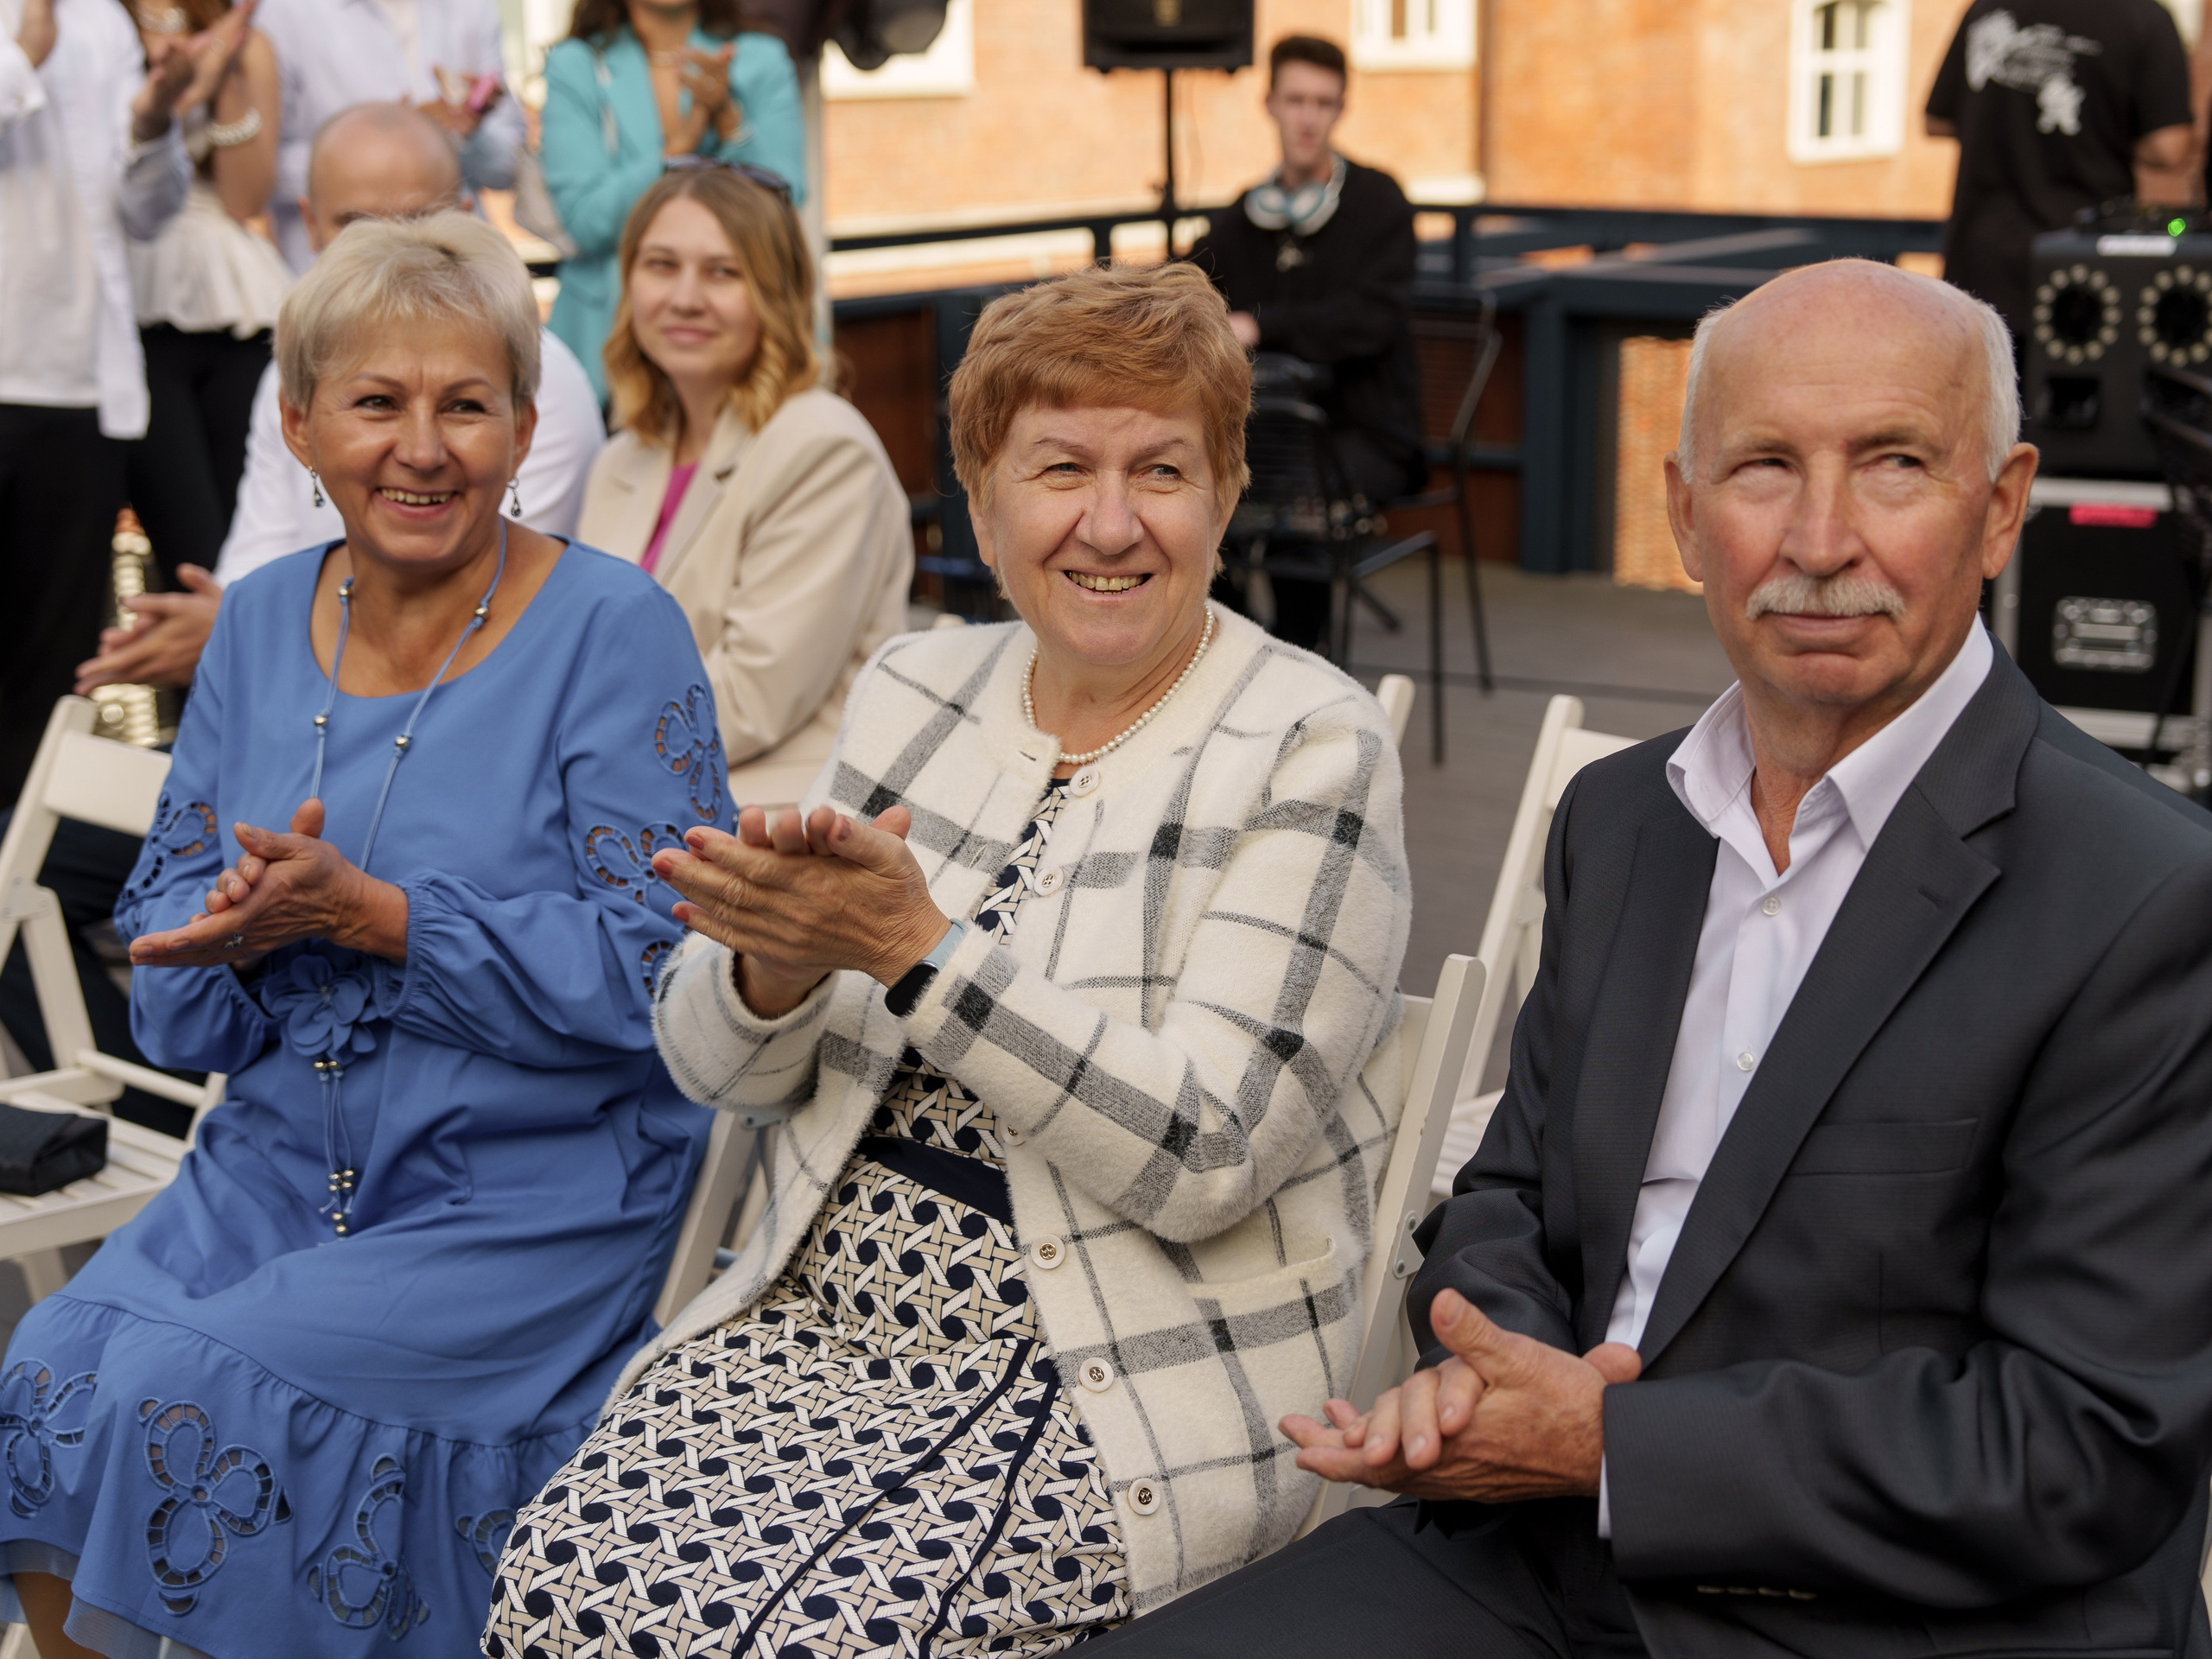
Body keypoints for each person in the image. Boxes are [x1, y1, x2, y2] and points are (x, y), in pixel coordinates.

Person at [1082, 258, 2212, 1659]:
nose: (1819, 535)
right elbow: (1510, 1187)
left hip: (1902, 1619)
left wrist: (1610, 1444)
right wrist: (1484, 1363)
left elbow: (2080, 1444)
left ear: (1997, 507)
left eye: (1894, 465)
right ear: (1683, 515)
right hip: (1545, 1565)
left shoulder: (2146, 897)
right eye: (1762, 468)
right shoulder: (1620, 821)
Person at [485, 262, 1414, 1658]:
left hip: (1102, 1363)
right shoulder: (920, 689)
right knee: (558, 1574)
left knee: (817, 1641)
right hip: (818, 1309)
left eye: (1162, 468)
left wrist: (919, 953)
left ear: (1225, 496)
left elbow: (1208, 1154)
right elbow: (717, 1070)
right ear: (981, 504)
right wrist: (775, 968)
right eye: (1058, 469)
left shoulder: (1310, 745)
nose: (1110, 522)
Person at [0, 212, 727, 1659]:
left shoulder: (611, 628)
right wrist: (232, 936)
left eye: (466, 405)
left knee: (198, 1397)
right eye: (377, 403)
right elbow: (161, 939)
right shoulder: (260, 622)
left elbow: (670, 975)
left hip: (527, 1191)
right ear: (299, 422)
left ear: (526, 427)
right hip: (275, 1165)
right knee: (44, 1368)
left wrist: (376, 919)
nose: (422, 447)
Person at [68, 101, 603, 695]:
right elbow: (254, 562)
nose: (391, 254)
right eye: (358, 227)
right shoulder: (295, 372)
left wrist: (235, 631)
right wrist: (231, 628)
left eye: (460, 408)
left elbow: (482, 611)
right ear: (312, 224)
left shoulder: (533, 375)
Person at [579, 164, 910, 806]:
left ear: (776, 295)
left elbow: (748, 701)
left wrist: (564, 752)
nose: (685, 298)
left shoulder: (822, 448)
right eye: (661, 265)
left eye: (723, 273)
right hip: (630, 798)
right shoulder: (623, 458)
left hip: (770, 817)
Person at [0, 0, 216, 804]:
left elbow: (145, 216)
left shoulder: (102, 20)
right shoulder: (44, 31)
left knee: (52, 683)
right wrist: (22, 57)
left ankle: (24, 909)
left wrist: (156, 121)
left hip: (81, 390)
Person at [1189, 33, 1421, 652]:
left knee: (1294, 512)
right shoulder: (1243, 217)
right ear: (1270, 103)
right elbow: (1187, 288)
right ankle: (1238, 650)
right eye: (1296, 100)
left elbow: (1371, 319)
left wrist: (1262, 326)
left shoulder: (1380, 203)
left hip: (1363, 433)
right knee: (1188, 502)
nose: (1308, 117)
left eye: (1324, 102)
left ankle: (1293, 662)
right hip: (1265, 434)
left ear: (1341, 108)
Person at [539, 0, 804, 403]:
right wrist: (683, 143)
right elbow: (585, 220)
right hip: (603, 350)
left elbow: (785, 202)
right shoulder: (576, 64)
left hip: (740, 342)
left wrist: (729, 119)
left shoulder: (760, 57)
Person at [124, 0, 290, 584]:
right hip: (131, 297)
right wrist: (189, 84)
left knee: (252, 541)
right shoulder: (98, 26)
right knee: (186, 551)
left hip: (237, 302)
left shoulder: (247, 40)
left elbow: (246, 198)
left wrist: (227, 76)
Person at [1928, 0, 2194, 344]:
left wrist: (2007, 119)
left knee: (1986, 393)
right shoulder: (2142, 16)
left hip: (1980, 263)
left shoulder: (1987, 8)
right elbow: (2168, 148)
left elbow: (1937, 121)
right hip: (2082, 274)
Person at [251, 0, 522, 270]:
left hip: (450, 274)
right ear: (310, 220)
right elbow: (254, 173)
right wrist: (374, 149)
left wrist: (460, 135)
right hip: (336, 276)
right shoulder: (281, 11)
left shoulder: (473, 8)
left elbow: (506, 168)